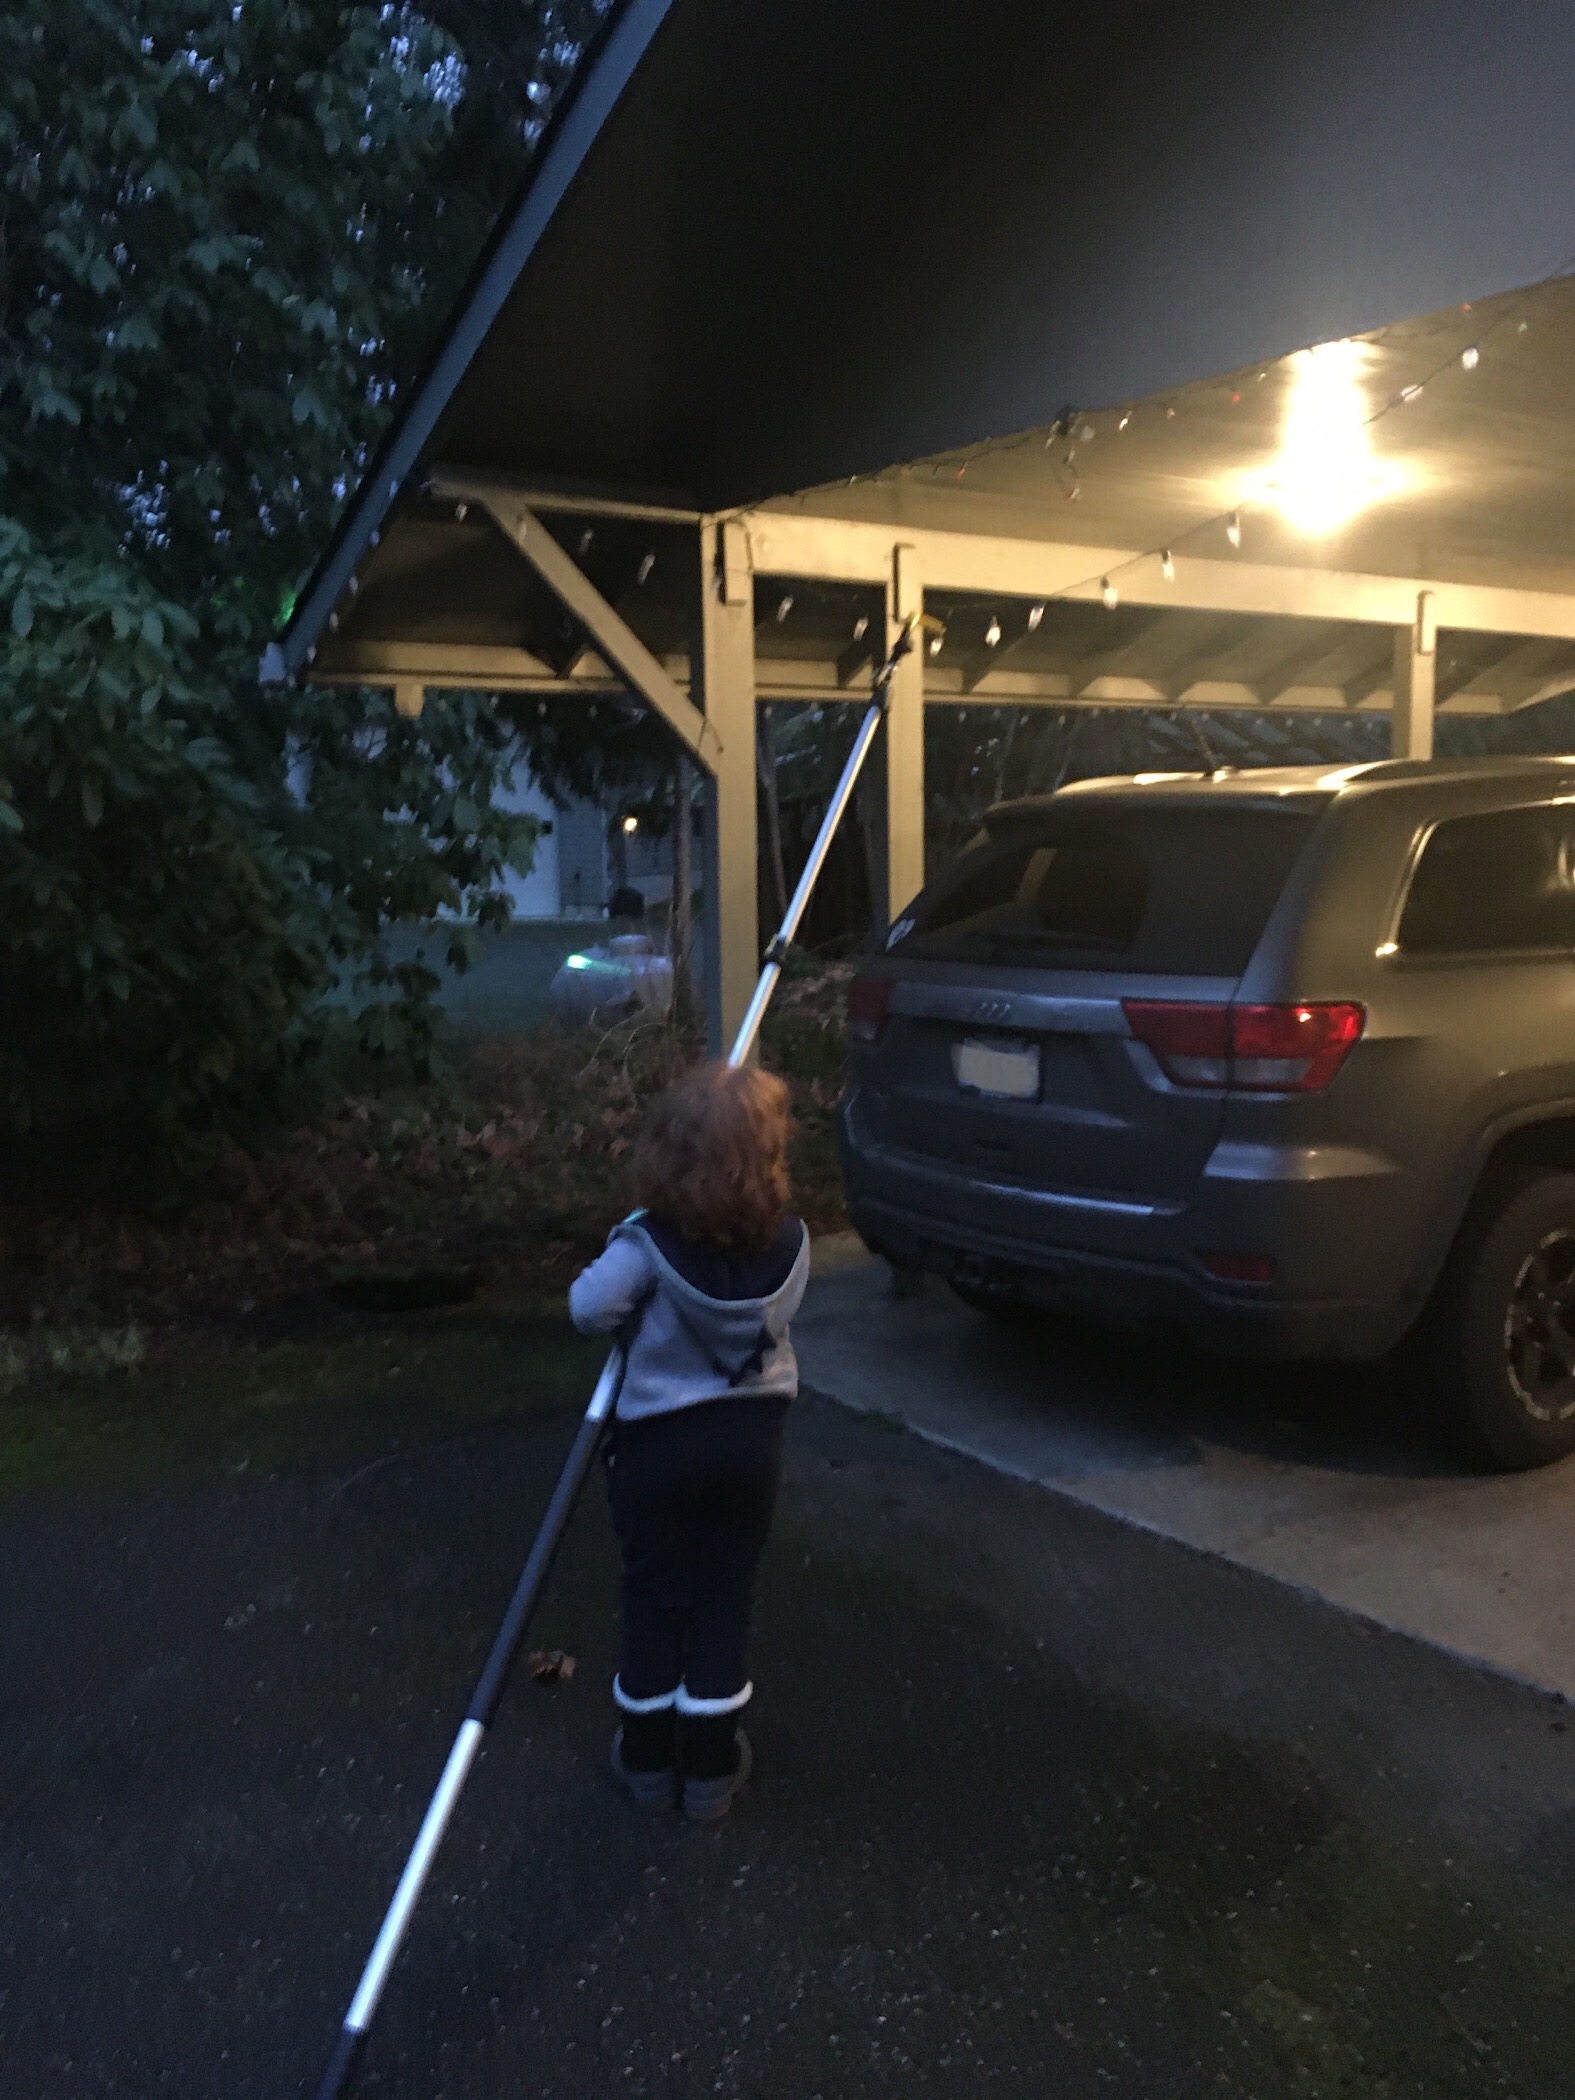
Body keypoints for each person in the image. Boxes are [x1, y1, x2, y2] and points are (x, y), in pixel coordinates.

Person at [568, 1062, 809, 1821]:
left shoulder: (645, 1247)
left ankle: (646, 1761)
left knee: (654, 1595)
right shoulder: (794, 1244)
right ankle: (708, 1769)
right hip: (750, 1445)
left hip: (657, 1448)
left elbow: (587, 1309)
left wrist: (636, 1289)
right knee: (723, 1594)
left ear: (667, 1157)